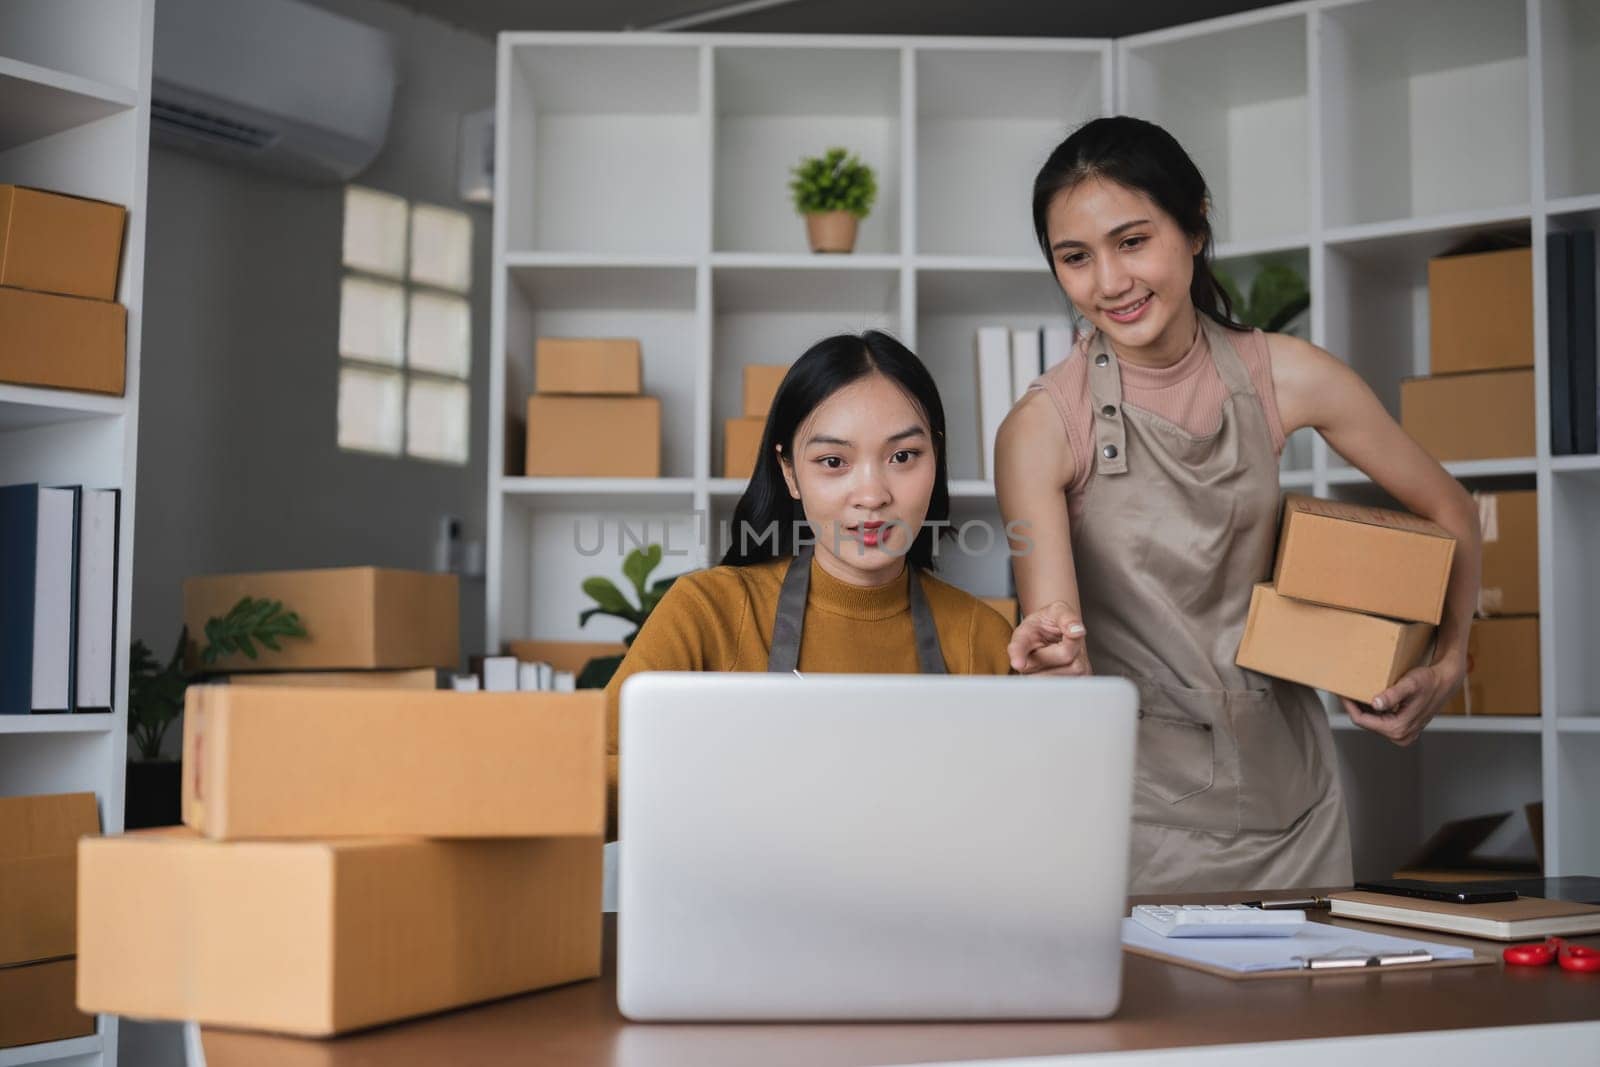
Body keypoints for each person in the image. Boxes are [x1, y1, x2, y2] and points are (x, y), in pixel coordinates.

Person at [997, 116, 1481, 893]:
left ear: (1195, 226)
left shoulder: (1287, 376)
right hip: (1134, 819)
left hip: (1294, 800)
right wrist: (1051, 655)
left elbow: (1452, 509)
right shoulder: (1041, 428)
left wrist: (1448, 660)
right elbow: (1061, 645)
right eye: (1076, 258)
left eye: (1132, 240)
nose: (1110, 282)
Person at [602, 330, 1015, 839]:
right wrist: (725, 774)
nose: (871, 494)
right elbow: (587, 782)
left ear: (937, 458)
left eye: (903, 456)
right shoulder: (706, 612)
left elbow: (1023, 825)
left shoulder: (985, 639)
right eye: (833, 462)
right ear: (790, 472)